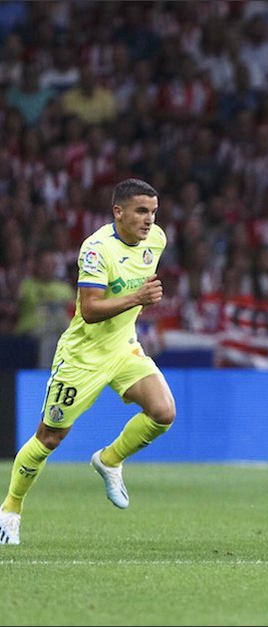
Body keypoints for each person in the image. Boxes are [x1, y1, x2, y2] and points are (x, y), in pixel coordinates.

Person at [0, 179, 174, 545]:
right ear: (118, 212)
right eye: (142, 211)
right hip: (83, 356)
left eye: (154, 212)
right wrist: (137, 298)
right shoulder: (97, 249)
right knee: (50, 437)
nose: (149, 220)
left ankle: (109, 460)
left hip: (123, 348)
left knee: (163, 412)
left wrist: (136, 304)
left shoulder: (156, 240)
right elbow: (91, 310)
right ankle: (10, 510)